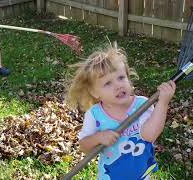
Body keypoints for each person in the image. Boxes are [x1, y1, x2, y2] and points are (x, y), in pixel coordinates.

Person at [65, 42, 176, 179]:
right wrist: (98, 138)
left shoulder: (142, 105)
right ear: (94, 92)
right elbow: (84, 147)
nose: (118, 85)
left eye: (121, 78)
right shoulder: (95, 114)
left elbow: (150, 135)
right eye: (108, 83)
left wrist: (163, 103)